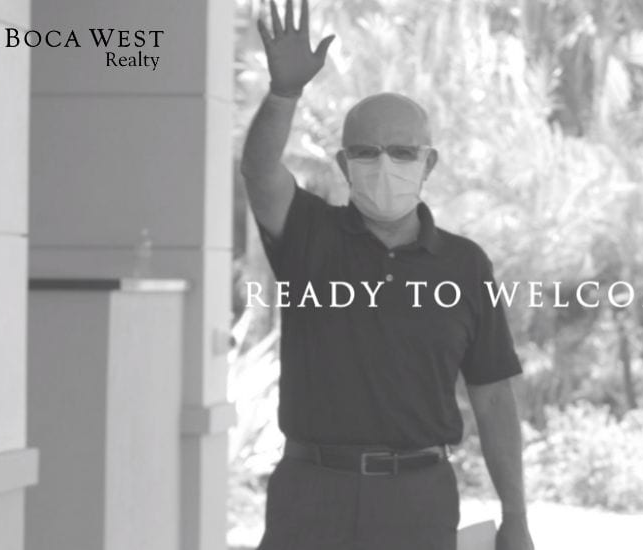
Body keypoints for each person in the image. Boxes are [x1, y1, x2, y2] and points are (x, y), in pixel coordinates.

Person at [240, 1, 533, 549]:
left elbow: (493, 397)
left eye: (402, 152)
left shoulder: (465, 266)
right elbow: (259, 171)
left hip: (417, 501)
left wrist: (515, 515)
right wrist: (284, 94)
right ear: (344, 164)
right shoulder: (308, 235)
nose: (384, 165)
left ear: (429, 163)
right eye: (366, 152)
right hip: (311, 496)